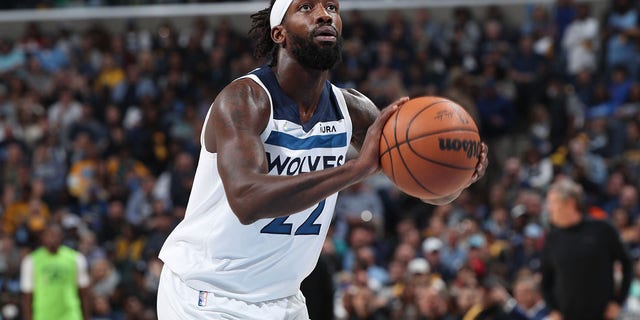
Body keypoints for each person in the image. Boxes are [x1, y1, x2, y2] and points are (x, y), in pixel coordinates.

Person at [156, 0, 488, 318]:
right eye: (306, 7)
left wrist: (459, 177)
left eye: (332, 8)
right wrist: (356, 169)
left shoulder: (353, 111)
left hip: (283, 298)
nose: (325, 15)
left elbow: (427, 189)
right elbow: (247, 200)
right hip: (206, 295)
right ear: (279, 33)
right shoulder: (244, 100)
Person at [541, 178, 632, 320]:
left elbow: (627, 263)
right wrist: (553, 310)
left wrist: (618, 302)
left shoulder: (602, 229)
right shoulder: (552, 238)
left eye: (552, 202)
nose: (548, 208)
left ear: (570, 203)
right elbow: (545, 281)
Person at [20, 223, 91, 320]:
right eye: (49, 235)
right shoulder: (31, 261)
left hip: (71, 315)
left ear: (62, 237)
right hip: (43, 315)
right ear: (42, 237)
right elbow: (27, 297)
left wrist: (86, 317)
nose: (52, 239)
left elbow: (84, 292)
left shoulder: (76, 258)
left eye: (56, 235)